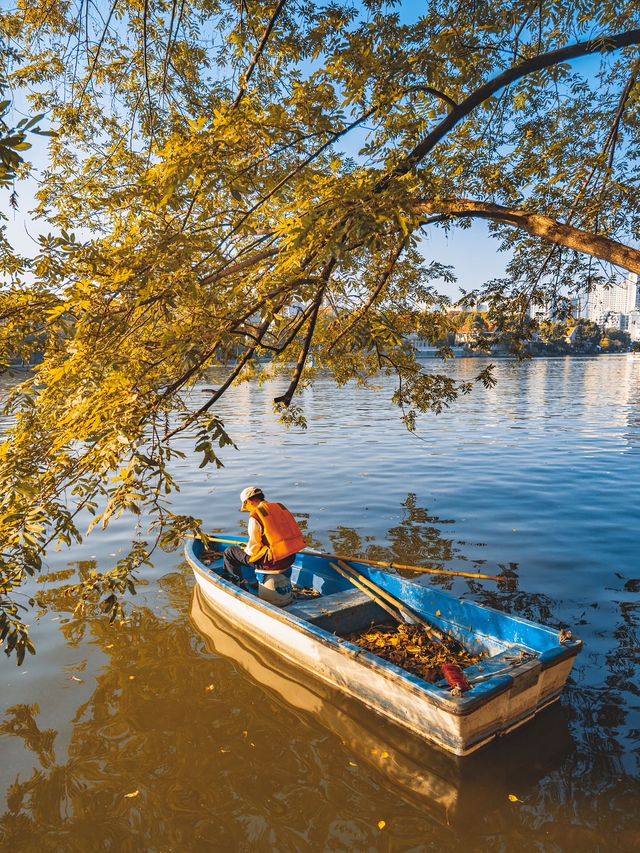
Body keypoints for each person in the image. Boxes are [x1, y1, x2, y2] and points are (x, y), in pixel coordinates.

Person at [222, 487, 306, 605]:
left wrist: (243, 551)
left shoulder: (256, 516)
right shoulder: (280, 508)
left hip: (272, 563)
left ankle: (239, 585)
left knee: (229, 552)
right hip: (290, 557)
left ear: (249, 501)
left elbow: (252, 548)